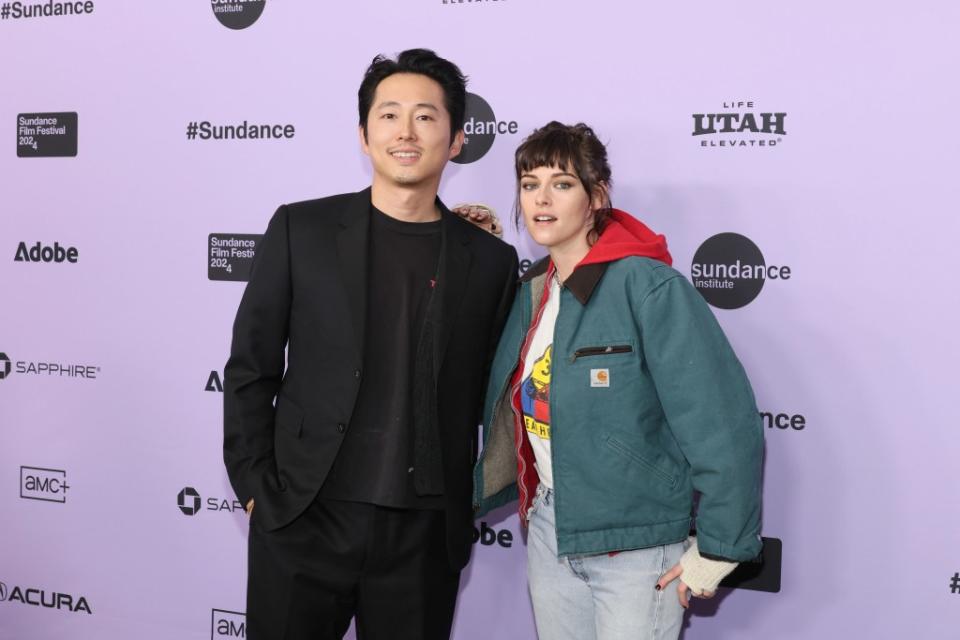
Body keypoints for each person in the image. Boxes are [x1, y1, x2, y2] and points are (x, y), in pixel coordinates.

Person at [223, 49, 519, 640]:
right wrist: (257, 489)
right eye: (389, 115)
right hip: (304, 517)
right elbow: (250, 367)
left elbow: (498, 392)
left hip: (423, 536)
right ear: (364, 134)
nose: (405, 132)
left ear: (457, 139)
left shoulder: (490, 259)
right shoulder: (299, 230)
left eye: (426, 117)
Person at [472, 121, 763, 640]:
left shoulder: (648, 287)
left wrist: (719, 548)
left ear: (596, 195)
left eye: (561, 183)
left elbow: (721, 422)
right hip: (548, 530)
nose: (541, 198)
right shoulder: (533, 290)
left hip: (636, 545)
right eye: (529, 183)